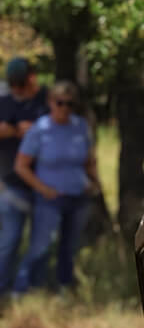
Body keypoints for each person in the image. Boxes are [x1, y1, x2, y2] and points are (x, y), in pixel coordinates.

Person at [12, 81, 99, 296]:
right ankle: (23, 287)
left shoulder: (80, 126)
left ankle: (62, 286)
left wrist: (94, 183)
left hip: (78, 195)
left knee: (69, 246)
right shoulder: (40, 129)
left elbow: (89, 160)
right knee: (41, 245)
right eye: (60, 103)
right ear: (51, 102)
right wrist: (43, 189)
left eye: (70, 104)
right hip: (50, 198)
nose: (64, 108)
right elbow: (21, 166)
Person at [0, 58, 49, 294]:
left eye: (20, 84)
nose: (16, 89)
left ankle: (33, 288)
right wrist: (9, 130)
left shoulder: (47, 100)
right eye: (12, 84)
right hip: (13, 184)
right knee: (10, 240)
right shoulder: (4, 101)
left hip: (46, 184)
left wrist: (37, 129)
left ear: (32, 78)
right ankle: (2, 288)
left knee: (42, 243)